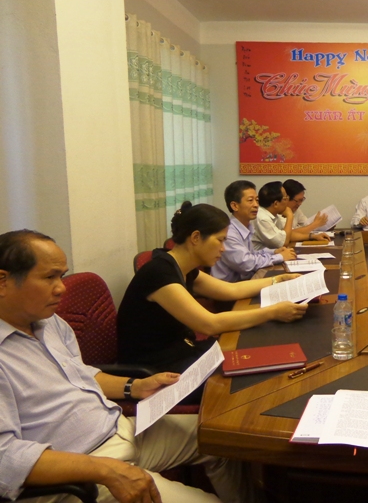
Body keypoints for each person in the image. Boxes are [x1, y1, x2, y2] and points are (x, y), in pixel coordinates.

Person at [0, 230, 245, 502]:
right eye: (49, 277)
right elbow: (5, 457)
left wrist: (135, 386)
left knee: (226, 438)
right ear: (3, 282)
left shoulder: (48, 321)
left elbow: (79, 374)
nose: (61, 288)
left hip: (116, 428)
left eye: (61, 276)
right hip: (78, 469)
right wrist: (104, 469)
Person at [117, 201, 308, 402]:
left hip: (183, 352)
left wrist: (278, 280)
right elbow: (210, 324)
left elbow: (230, 290)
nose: (223, 249)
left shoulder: (181, 267)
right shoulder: (160, 273)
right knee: (254, 381)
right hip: (157, 372)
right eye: (220, 240)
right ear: (195, 238)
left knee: (259, 354)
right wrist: (273, 312)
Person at [212, 180, 297, 282]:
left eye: (257, 200)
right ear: (235, 206)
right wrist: (280, 257)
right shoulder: (229, 233)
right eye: (250, 200)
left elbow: (252, 253)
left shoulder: (247, 226)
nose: (256, 205)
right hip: (230, 287)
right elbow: (247, 264)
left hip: (245, 281)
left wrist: (274, 252)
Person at [252, 181, 329, 250]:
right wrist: (290, 216)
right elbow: (283, 242)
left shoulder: (273, 215)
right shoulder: (262, 218)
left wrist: (312, 236)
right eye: (285, 198)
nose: (287, 201)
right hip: (261, 259)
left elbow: (288, 234)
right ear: (276, 204)